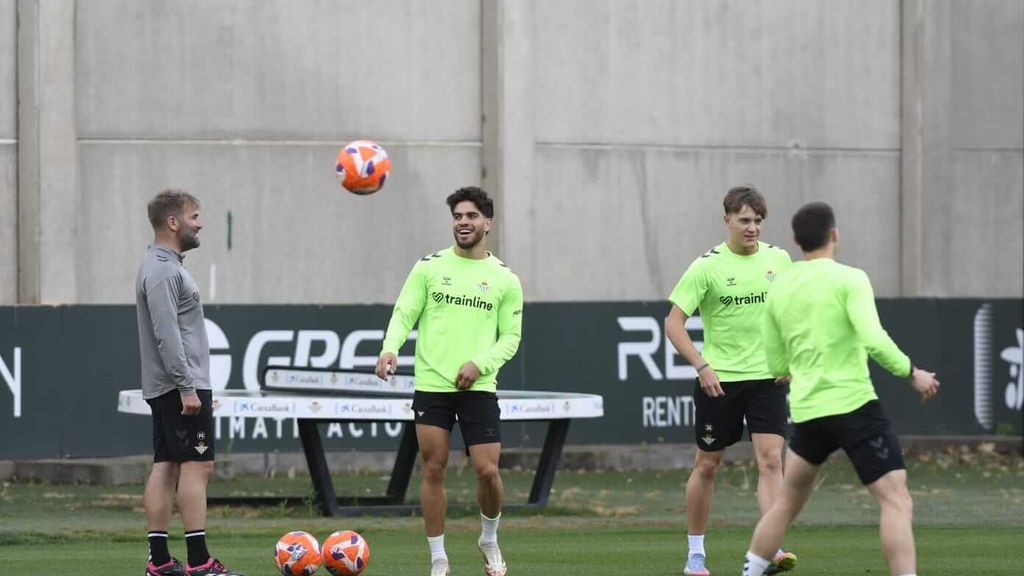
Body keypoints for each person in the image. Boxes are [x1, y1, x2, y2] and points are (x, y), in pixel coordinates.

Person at [740, 202, 940, 576]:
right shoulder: (850, 278)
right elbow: (873, 338)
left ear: (796, 241)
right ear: (835, 235)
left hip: (808, 412)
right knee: (896, 502)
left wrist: (793, 368)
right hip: (854, 407)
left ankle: (750, 571)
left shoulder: (780, 287)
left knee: (785, 504)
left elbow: (775, 361)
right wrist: (911, 373)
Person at [376, 186, 524, 576]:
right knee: (433, 468)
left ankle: (489, 538)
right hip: (432, 384)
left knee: (488, 471)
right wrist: (390, 348)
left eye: (471, 216)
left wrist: (480, 362)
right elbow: (404, 313)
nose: (463, 222)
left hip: (478, 387)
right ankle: (438, 558)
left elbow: (511, 338)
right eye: (458, 216)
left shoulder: (505, 279)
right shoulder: (428, 267)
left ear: (487, 223)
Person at [665, 185, 798, 576]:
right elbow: (673, 324)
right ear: (727, 221)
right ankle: (695, 556)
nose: (752, 227)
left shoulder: (779, 260)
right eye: (744, 220)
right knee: (707, 466)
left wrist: (790, 357)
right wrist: (702, 367)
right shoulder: (707, 266)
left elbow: (792, 314)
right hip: (720, 382)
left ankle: (770, 548)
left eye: (757, 220)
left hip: (768, 381)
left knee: (772, 461)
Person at [137, 190, 244, 576]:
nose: (199, 223)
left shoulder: (162, 264)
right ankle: (200, 563)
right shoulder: (164, 269)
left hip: (169, 384)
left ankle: (161, 561)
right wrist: (187, 386)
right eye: (194, 216)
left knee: (166, 465)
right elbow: (167, 334)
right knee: (198, 466)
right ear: (173, 222)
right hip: (178, 384)